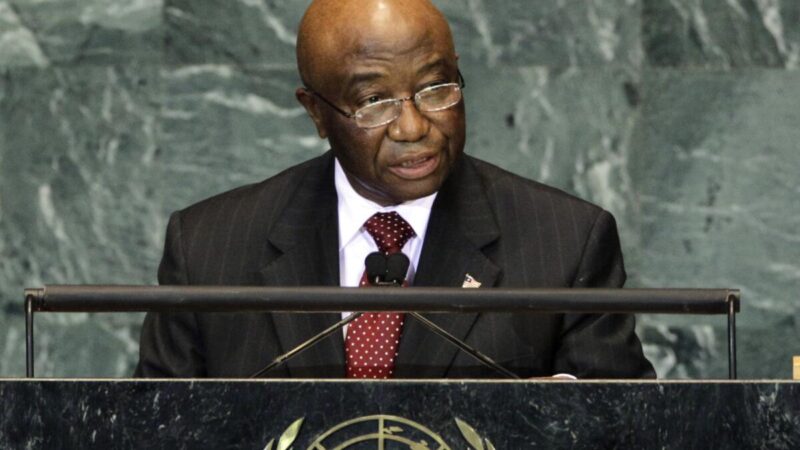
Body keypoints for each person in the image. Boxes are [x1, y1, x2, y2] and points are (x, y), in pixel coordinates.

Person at [135, 0, 655, 379]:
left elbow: (621, 428)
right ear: (316, 112)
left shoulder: (567, 242)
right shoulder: (207, 247)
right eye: (374, 102)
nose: (413, 127)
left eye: (436, 88)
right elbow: (153, 428)